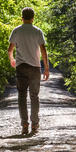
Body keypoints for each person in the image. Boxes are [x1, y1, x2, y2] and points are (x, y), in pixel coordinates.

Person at [8, 7, 49, 136]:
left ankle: (24, 124)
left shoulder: (16, 31)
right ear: (32, 18)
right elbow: (43, 50)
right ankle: (35, 124)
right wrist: (46, 68)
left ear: (22, 18)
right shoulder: (37, 31)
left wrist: (12, 59)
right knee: (34, 96)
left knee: (21, 96)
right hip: (34, 67)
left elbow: (10, 50)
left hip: (20, 67)